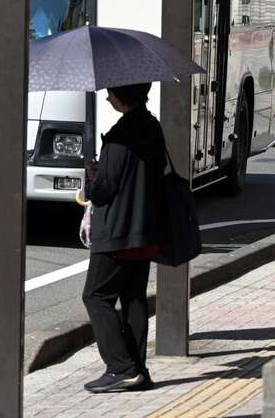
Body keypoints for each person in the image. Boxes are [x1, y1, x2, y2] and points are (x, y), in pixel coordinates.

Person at [82, 82, 165, 393]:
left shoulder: (119, 136)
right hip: (144, 229)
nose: (108, 97)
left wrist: (93, 178)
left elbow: (104, 190)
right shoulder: (152, 126)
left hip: (117, 230)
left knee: (96, 296)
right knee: (133, 299)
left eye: (112, 93)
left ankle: (121, 367)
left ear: (122, 96)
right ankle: (138, 370)